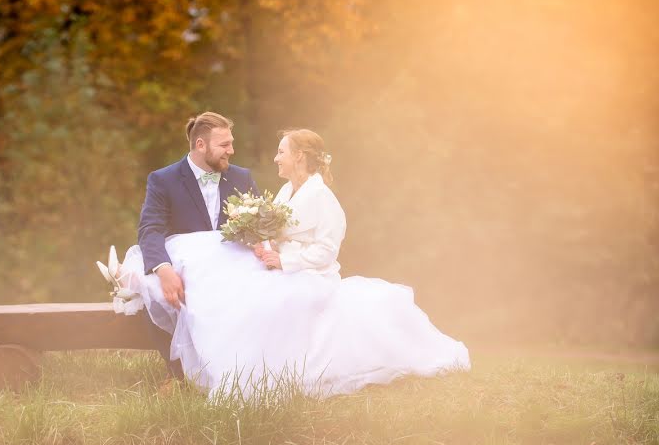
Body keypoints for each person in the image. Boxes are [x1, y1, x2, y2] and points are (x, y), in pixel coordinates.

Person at [120, 128, 470, 398]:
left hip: (308, 273)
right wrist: (262, 244)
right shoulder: (287, 191)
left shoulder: (317, 196)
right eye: (225, 144)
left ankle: (259, 376)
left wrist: (278, 258)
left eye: (281, 152)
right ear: (200, 145)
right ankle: (208, 372)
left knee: (270, 304)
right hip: (264, 267)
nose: (275, 158)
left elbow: (325, 251)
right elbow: (269, 229)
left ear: (299, 157)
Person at [135, 111, 259, 383]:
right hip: (186, 267)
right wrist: (163, 269)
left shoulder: (241, 177)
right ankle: (179, 376)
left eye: (231, 143)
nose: (231, 150)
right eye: (224, 145)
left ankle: (243, 371)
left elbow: (260, 225)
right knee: (154, 291)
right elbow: (150, 229)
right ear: (201, 145)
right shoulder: (163, 179)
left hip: (234, 265)